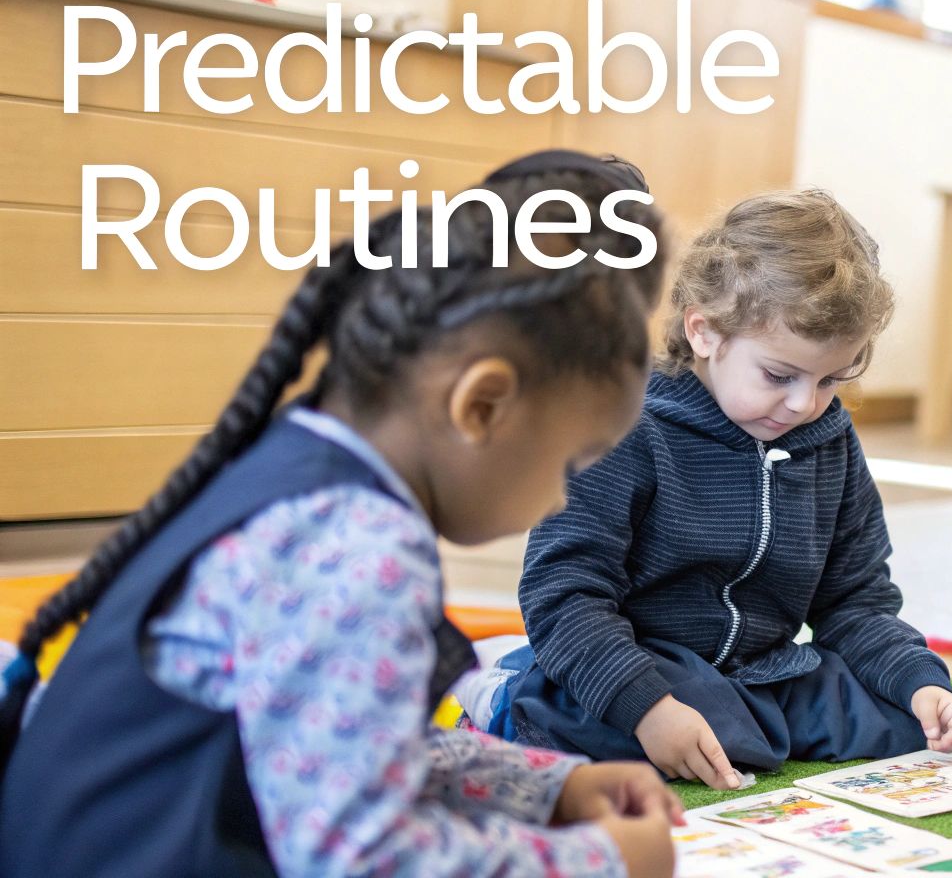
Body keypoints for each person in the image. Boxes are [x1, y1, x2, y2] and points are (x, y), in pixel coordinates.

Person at [0, 150, 683, 877]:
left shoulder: (302, 468)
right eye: (573, 462)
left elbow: (337, 740)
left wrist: (549, 786)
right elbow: (361, 860)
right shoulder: (362, 545)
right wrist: (602, 862)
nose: (562, 499)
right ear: (480, 406)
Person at [474, 188, 952, 790]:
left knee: (900, 719)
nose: (804, 404)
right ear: (704, 332)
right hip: (642, 661)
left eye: (832, 380)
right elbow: (564, 596)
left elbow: (856, 601)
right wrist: (651, 710)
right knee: (653, 720)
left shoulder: (828, 439)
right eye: (779, 376)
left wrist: (917, 680)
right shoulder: (619, 428)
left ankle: (743, 723)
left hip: (764, 672)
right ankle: (502, 688)